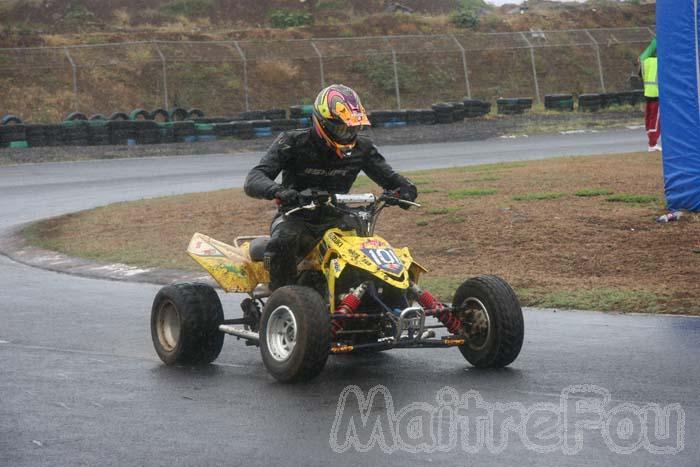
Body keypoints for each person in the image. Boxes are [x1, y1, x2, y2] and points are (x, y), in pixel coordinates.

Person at [244, 84, 418, 291]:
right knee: (283, 241)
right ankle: (280, 299)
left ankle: (380, 293)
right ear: (321, 123)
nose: (347, 134)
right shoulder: (292, 141)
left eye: (352, 127)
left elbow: (391, 179)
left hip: (338, 217)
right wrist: (279, 191)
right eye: (340, 128)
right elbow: (254, 178)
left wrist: (405, 188)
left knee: (369, 243)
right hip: (296, 215)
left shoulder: (362, 147)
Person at [638, 38, 661, 151]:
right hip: (657, 94)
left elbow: (640, 74)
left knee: (649, 118)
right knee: (656, 120)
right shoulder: (660, 62)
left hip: (647, 93)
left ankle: (651, 142)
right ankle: (652, 144)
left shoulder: (645, 62)